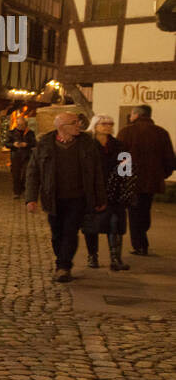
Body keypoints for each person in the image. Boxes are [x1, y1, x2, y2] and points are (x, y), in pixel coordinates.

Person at [24, 112, 107, 283]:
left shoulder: (87, 144)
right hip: (53, 198)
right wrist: (31, 198)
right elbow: (33, 172)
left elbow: (98, 172)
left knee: (70, 231)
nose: (79, 125)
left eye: (78, 122)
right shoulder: (45, 144)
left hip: (78, 197)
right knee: (57, 234)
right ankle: (62, 260)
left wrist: (100, 198)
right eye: (74, 123)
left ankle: (63, 266)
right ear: (62, 127)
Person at [116, 104, 176, 256]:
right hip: (152, 181)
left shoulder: (126, 132)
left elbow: (121, 158)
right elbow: (170, 159)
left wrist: (123, 178)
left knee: (134, 213)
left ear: (135, 115)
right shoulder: (161, 133)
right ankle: (142, 240)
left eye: (131, 114)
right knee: (145, 209)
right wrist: (162, 175)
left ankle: (140, 245)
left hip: (132, 180)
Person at [81, 115, 130, 271]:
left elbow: (126, 168)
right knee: (92, 226)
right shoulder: (87, 145)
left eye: (110, 123)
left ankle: (116, 259)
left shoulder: (119, 145)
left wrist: (123, 182)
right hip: (93, 192)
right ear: (95, 126)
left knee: (115, 224)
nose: (107, 126)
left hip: (115, 192)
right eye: (104, 124)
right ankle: (92, 256)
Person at [4, 114, 36, 198]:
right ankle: (17, 192)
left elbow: (34, 143)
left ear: (25, 125)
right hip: (16, 156)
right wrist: (13, 144)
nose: (20, 126)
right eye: (18, 124)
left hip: (27, 156)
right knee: (16, 174)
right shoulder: (11, 133)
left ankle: (22, 188)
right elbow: (6, 144)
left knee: (26, 174)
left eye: (22, 125)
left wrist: (27, 144)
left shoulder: (30, 133)